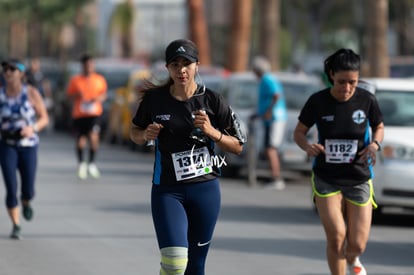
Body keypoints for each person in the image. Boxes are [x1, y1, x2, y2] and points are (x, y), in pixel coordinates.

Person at [130, 39, 246, 275]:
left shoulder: (212, 100)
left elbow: (238, 146)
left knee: (195, 266)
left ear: (197, 66)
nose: (181, 70)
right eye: (175, 64)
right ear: (167, 68)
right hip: (168, 191)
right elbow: (134, 132)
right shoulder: (155, 100)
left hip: (205, 190)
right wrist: (144, 134)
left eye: (187, 64)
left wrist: (213, 132)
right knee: (174, 263)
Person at [293, 49, 384, 275]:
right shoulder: (318, 101)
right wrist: (307, 146)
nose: (347, 88)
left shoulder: (367, 100)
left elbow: (379, 126)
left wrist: (374, 145)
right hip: (327, 177)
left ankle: (353, 259)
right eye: (342, 81)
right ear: (331, 75)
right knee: (336, 237)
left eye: (352, 82)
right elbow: (299, 132)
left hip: (359, 176)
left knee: (357, 244)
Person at [0, 58, 49, 239]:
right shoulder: (1, 94)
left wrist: (33, 128)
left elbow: (44, 118)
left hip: (28, 146)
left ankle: (26, 201)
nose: (8, 72)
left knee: (27, 188)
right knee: (11, 187)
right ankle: (16, 224)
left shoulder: (31, 93)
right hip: (7, 146)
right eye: (5, 68)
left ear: (21, 73)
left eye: (12, 69)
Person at [66, 54, 107, 180]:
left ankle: (92, 163)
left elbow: (103, 95)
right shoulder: (75, 80)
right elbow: (68, 97)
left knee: (94, 138)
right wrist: (76, 96)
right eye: (86, 65)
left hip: (94, 114)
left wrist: (98, 99)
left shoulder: (99, 79)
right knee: (80, 141)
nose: (89, 67)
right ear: (82, 66)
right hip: (79, 114)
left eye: (91, 64)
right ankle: (81, 163)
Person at [251, 56, 287, 190]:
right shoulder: (264, 80)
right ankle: (273, 176)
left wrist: (269, 111)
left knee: (271, 148)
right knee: (268, 148)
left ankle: (277, 178)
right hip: (268, 119)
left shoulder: (267, 79)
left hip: (274, 118)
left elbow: (276, 95)